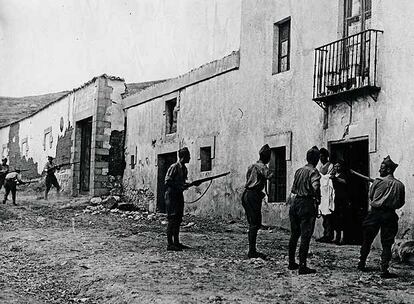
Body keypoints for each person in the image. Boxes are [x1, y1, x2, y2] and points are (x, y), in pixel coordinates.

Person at [357, 156, 405, 278]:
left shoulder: (378, 182)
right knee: (387, 243)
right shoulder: (400, 185)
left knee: (367, 240)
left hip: (375, 213)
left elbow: (371, 197)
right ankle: (384, 269)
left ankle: (361, 263)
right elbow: (401, 203)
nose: (379, 170)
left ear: (389, 170)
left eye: (382, 168)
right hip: (390, 214)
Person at [288, 146, 321, 275]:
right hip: (306, 203)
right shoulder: (314, 172)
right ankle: (302, 265)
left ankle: (291, 262)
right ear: (316, 159)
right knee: (305, 236)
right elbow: (315, 186)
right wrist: (317, 197)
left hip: (295, 202)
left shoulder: (298, 171)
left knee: (294, 234)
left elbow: (293, 189)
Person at [164, 147, 201, 251]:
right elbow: (167, 181)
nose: (190, 158)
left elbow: (183, 183)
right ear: (183, 157)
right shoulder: (174, 167)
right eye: (188, 156)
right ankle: (170, 244)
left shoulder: (184, 169)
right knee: (172, 219)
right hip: (171, 195)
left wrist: (192, 184)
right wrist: (179, 186)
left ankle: (176, 242)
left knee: (178, 219)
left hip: (178, 195)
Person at [242, 144, 274, 259]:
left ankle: (252, 249)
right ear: (266, 157)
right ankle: (252, 251)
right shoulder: (262, 167)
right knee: (255, 223)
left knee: (253, 222)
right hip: (253, 195)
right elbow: (270, 176)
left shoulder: (251, 166)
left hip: (247, 193)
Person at [316, 148, 335, 243]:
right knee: (323, 213)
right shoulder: (321, 166)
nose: (321, 158)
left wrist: (323, 177)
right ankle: (325, 234)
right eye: (320, 157)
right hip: (322, 192)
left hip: (328, 191)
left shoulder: (330, 166)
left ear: (326, 156)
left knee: (328, 215)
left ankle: (329, 235)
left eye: (322, 156)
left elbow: (330, 177)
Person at [330, 161, 349, 245]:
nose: (337, 168)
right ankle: (336, 236)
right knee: (335, 217)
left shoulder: (343, 175)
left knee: (342, 217)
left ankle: (342, 237)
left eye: (338, 166)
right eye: (335, 166)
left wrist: (336, 178)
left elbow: (345, 182)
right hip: (335, 198)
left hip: (342, 198)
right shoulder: (332, 175)